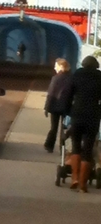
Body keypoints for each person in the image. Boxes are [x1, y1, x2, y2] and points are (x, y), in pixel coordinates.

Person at [67, 55, 101, 193]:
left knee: (75, 147)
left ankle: (74, 178)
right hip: (93, 116)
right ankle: (83, 184)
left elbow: (69, 94)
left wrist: (69, 110)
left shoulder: (77, 74)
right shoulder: (100, 77)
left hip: (77, 114)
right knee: (87, 150)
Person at [44, 58, 72, 153]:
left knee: (53, 127)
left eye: (56, 65)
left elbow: (51, 94)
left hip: (55, 107)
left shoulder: (56, 78)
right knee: (64, 129)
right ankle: (62, 148)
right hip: (67, 107)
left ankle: (49, 145)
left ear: (61, 66)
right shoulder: (71, 78)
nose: (54, 67)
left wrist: (46, 108)